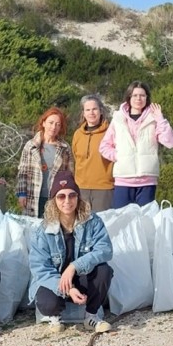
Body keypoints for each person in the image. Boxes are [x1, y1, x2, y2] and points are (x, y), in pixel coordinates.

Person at [29, 171, 113, 333]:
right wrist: (68, 289)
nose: (67, 201)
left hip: (82, 278)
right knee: (48, 304)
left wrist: (74, 266)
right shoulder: (43, 230)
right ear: (54, 200)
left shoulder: (92, 221)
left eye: (72, 195)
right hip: (55, 281)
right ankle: (55, 317)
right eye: (61, 196)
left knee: (104, 270)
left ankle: (91, 316)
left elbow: (105, 250)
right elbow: (40, 268)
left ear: (78, 197)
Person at [99, 80, 173, 208]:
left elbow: (171, 142)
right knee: (122, 221)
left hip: (147, 180)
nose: (138, 98)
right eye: (135, 95)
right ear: (129, 97)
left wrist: (160, 119)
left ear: (147, 98)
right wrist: (119, 156)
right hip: (123, 180)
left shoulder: (154, 119)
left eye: (142, 95)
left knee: (145, 221)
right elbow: (104, 146)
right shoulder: (118, 119)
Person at [17, 107, 75, 218]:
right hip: (32, 195)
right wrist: (21, 194)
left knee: (52, 229)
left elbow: (69, 174)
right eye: (51, 123)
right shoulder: (31, 145)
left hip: (55, 197)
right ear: (43, 123)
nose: (53, 127)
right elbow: (23, 171)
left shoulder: (65, 148)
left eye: (58, 124)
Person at [71, 95, 114, 212]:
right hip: (81, 188)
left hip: (104, 188)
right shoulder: (77, 134)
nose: (91, 113)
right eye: (88, 110)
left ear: (101, 111)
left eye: (94, 109)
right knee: (82, 225)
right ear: (83, 113)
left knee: (102, 225)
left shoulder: (111, 132)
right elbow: (76, 158)